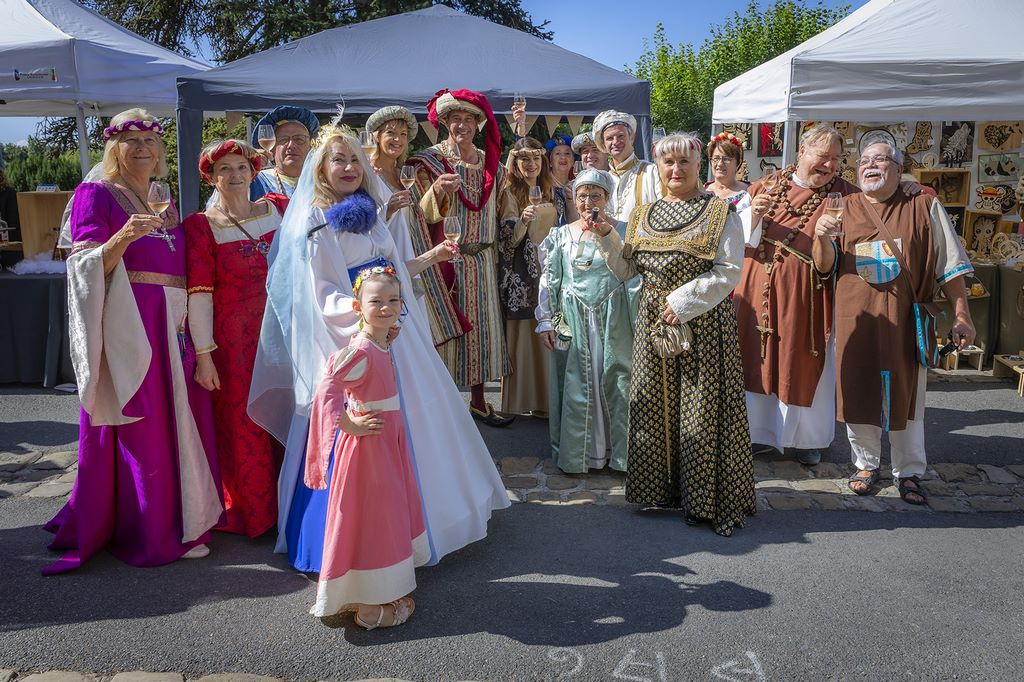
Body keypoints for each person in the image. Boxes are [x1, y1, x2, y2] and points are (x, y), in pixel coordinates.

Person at [248, 121, 509, 574]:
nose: (348, 167)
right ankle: (359, 539)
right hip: (359, 335)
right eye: (338, 159)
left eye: (354, 159)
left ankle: (428, 520)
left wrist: (407, 291)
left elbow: (392, 268)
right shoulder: (316, 220)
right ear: (321, 168)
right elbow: (323, 291)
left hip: (395, 325)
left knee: (423, 419)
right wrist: (367, 321)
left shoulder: (368, 211)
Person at [44, 108, 222, 574]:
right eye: (131, 141)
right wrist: (121, 238)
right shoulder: (94, 194)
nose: (142, 148)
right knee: (144, 425)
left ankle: (188, 515)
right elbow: (82, 268)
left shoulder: (162, 198)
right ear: (114, 148)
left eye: (150, 141)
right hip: (131, 324)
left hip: (172, 323)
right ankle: (150, 529)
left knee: (177, 420)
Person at [591, 133, 755, 536]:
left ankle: (703, 498)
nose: (676, 170)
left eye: (684, 163)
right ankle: (663, 490)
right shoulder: (645, 214)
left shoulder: (720, 211)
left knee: (699, 414)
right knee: (654, 407)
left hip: (702, 324)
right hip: (653, 325)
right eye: (669, 163)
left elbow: (728, 271)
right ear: (659, 168)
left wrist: (682, 302)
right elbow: (629, 269)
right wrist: (608, 237)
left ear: (697, 166)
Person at [813, 141, 975, 505]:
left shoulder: (923, 204)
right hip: (855, 316)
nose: (871, 166)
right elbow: (824, 265)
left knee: (908, 397)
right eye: (864, 161)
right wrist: (821, 236)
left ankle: (910, 471)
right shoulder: (841, 206)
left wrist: (962, 314)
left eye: (881, 159)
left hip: (905, 319)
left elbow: (949, 266)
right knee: (857, 388)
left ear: (899, 169)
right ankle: (865, 464)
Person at [305, 266, 428, 627]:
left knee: (384, 514)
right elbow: (327, 389)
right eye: (376, 301)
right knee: (373, 515)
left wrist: (386, 336)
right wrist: (349, 423)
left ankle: (379, 586)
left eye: (393, 300)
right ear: (359, 307)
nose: (386, 307)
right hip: (368, 450)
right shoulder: (360, 350)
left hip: (386, 444)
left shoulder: (379, 341)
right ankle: (371, 609)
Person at [734, 124, 859, 466]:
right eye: (823, 156)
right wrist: (754, 214)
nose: (830, 165)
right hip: (757, 289)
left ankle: (807, 440)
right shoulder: (767, 185)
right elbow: (737, 237)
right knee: (756, 359)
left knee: (802, 358)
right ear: (802, 152)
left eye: (836, 159)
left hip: (807, 295)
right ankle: (758, 434)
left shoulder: (845, 196)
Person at [184, 139, 288, 538]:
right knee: (246, 424)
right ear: (210, 177)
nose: (234, 175)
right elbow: (200, 292)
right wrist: (205, 355)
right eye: (223, 169)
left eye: (241, 167)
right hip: (234, 342)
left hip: (281, 331)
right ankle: (258, 515)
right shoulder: (201, 225)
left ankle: (293, 509)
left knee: (290, 414)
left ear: (254, 171)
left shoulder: (278, 207)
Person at [406, 88, 513, 427]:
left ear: (478, 124)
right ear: (446, 123)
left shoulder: (489, 161)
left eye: (469, 119)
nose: (462, 125)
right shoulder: (429, 161)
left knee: (481, 331)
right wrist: (436, 191)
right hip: (446, 258)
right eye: (455, 119)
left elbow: (502, 208)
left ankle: (480, 403)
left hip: (483, 259)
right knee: (447, 332)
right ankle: (443, 407)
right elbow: (416, 214)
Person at [536, 168, 635, 473]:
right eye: (582, 195)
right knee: (579, 383)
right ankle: (582, 453)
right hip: (574, 318)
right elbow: (549, 280)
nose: (588, 201)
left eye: (596, 195)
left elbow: (631, 275)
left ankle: (619, 454)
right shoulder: (561, 234)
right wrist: (547, 320)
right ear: (574, 199)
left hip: (612, 316)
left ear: (607, 198)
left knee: (618, 380)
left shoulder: (623, 230)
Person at [497, 138, 559, 416]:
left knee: (549, 330)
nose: (531, 164)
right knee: (524, 334)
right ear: (516, 163)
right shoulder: (509, 191)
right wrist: (522, 220)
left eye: (535, 159)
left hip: (551, 266)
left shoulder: (554, 189)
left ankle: (549, 402)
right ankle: (521, 402)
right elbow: (507, 238)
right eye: (525, 160)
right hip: (522, 271)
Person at [593, 110, 662, 222]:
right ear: (603, 144)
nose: (615, 142)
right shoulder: (604, 179)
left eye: (620, 136)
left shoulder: (652, 172)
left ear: (632, 138)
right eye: (609, 138)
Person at [249, 106, 320, 200]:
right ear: (272, 148)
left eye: (299, 139)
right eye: (283, 140)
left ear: (310, 145)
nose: (291, 145)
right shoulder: (256, 181)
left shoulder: (323, 182)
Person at [704, 132, 751, 212]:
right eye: (716, 158)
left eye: (726, 159)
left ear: (738, 163)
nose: (720, 164)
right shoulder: (703, 191)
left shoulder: (750, 192)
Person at [546, 134, 579, 225]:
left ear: (573, 161)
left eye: (567, 153)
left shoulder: (577, 187)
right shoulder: (542, 186)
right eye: (558, 153)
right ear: (550, 162)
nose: (563, 157)